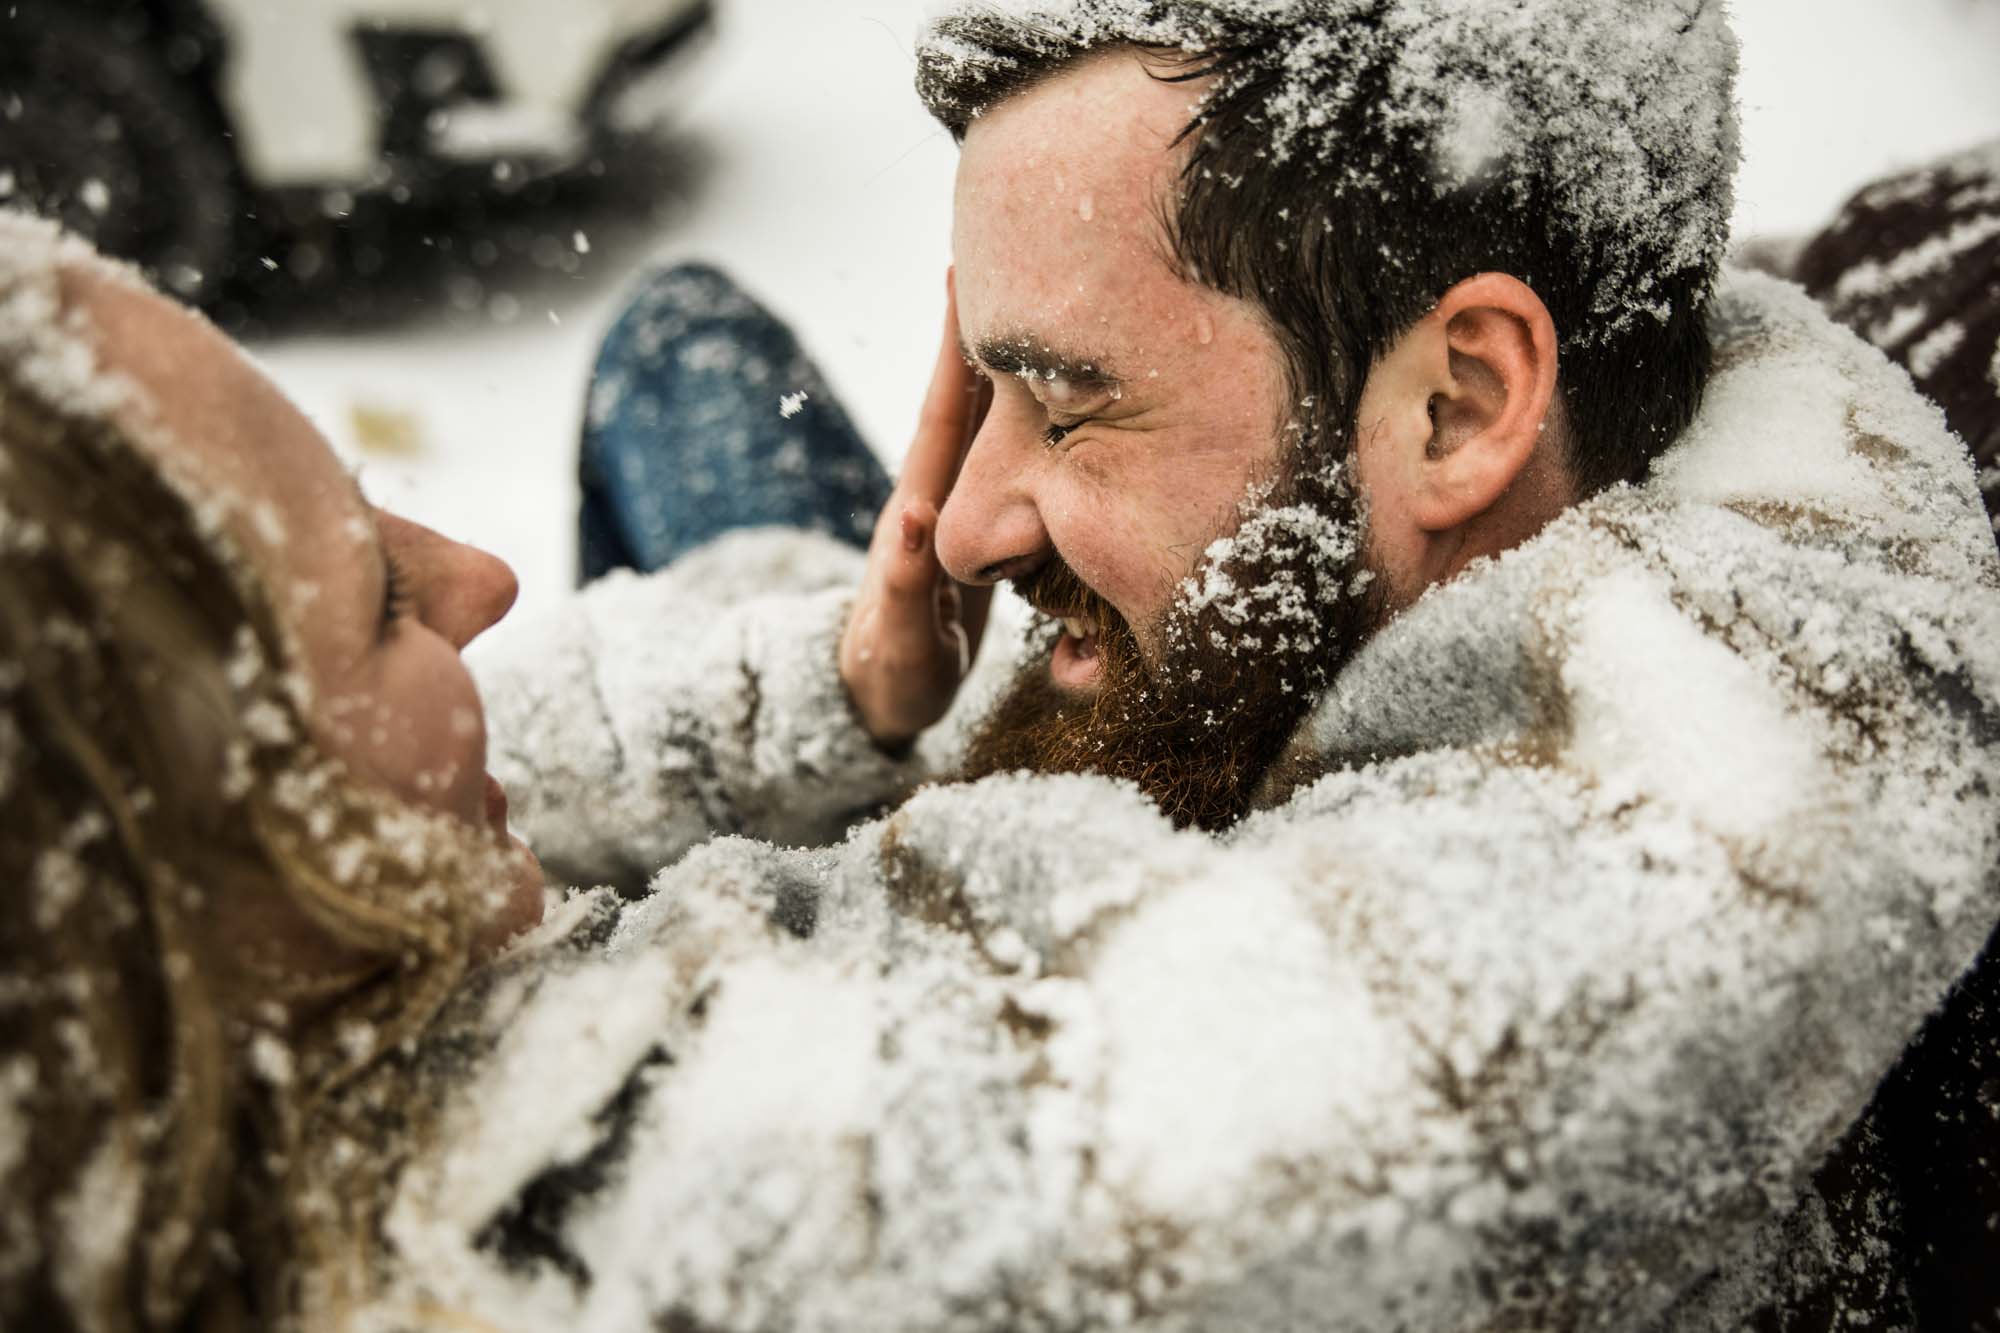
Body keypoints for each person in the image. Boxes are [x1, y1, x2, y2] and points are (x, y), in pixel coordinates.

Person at [1, 8, 1995, 1333]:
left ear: (1461, 400)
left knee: (672, 343)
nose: (955, 514)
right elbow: (1719, 852)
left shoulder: (225, 994)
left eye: (1057, 390)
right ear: (222, 842)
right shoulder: (685, 1196)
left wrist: (858, 688)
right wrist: (1799, 412)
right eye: (364, 608)